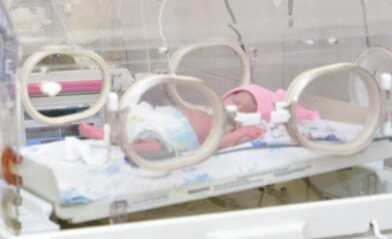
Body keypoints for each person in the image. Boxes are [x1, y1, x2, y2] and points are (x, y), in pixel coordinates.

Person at [81, 84, 320, 152]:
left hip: (175, 136)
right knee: (137, 122)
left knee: (154, 143)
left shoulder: (228, 128)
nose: (234, 106)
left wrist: (241, 133)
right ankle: (109, 135)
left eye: (245, 110)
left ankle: (124, 145)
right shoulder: (209, 110)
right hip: (160, 118)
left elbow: (215, 144)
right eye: (235, 99)